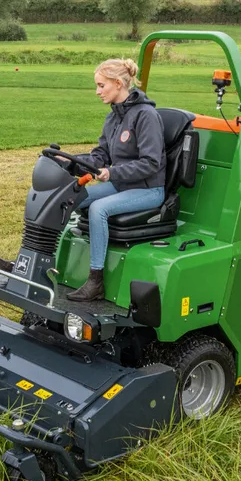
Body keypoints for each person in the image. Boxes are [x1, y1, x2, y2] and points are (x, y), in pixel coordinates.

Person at [64, 58, 165, 302]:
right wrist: (72, 162)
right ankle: (38, 257)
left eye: (101, 85)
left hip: (149, 189)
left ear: (118, 83)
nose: (97, 91)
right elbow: (101, 154)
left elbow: (151, 163)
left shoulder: (146, 115)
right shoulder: (114, 117)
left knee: (98, 208)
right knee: (67, 197)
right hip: (121, 186)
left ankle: (96, 282)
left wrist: (112, 173)